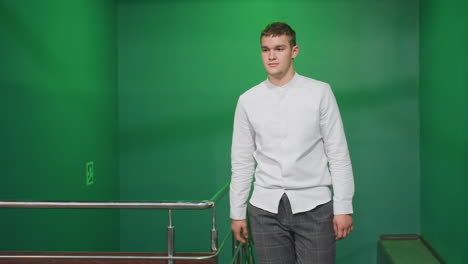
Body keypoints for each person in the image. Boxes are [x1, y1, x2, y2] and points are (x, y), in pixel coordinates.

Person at [229, 22, 355, 264]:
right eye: (265, 50)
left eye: (279, 48)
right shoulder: (248, 100)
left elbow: (338, 153)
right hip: (265, 210)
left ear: (294, 51)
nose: (272, 56)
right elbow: (242, 161)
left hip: (315, 207)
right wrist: (237, 213)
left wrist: (343, 206)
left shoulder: (320, 92)